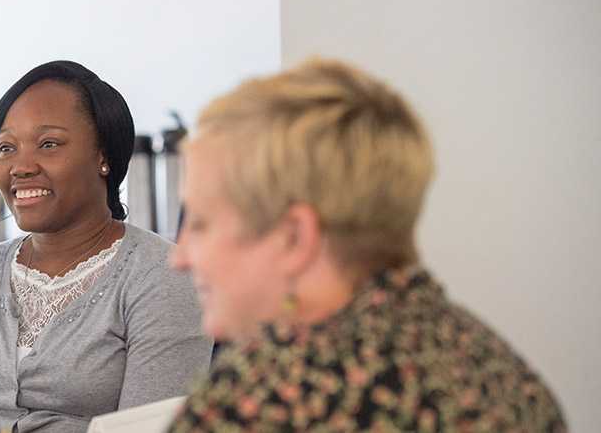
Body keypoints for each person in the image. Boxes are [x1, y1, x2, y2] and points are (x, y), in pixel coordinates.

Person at [168, 58, 566, 432]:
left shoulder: (254, 403)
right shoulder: (504, 376)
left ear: (294, 239)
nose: (179, 257)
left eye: (200, 224)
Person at [0, 60, 212, 433]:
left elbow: (150, 429)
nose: (20, 167)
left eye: (48, 144)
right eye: (7, 148)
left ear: (103, 156)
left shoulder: (163, 276)